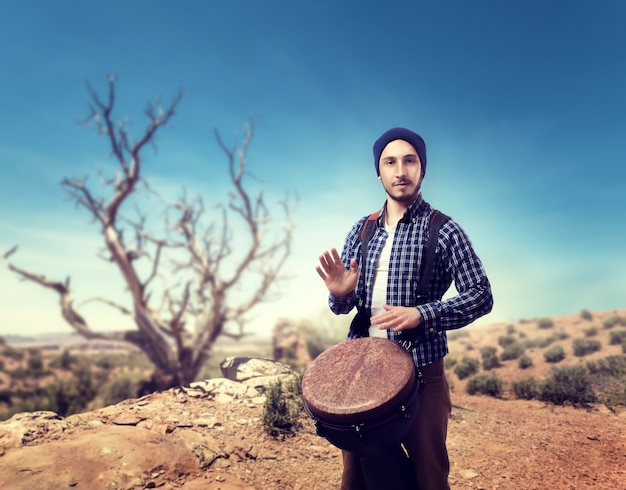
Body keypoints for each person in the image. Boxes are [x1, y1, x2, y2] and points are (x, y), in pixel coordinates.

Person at [315, 127, 493, 490]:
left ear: (422, 169)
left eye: (410, 161)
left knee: (429, 472)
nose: (400, 171)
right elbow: (343, 307)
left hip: (422, 372)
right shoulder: (362, 230)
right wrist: (339, 294)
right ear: (378, 172)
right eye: (390, 162)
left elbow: (480, 294)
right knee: (357, 474)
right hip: (362, 370)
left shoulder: (444, 231)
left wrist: (422, 313)